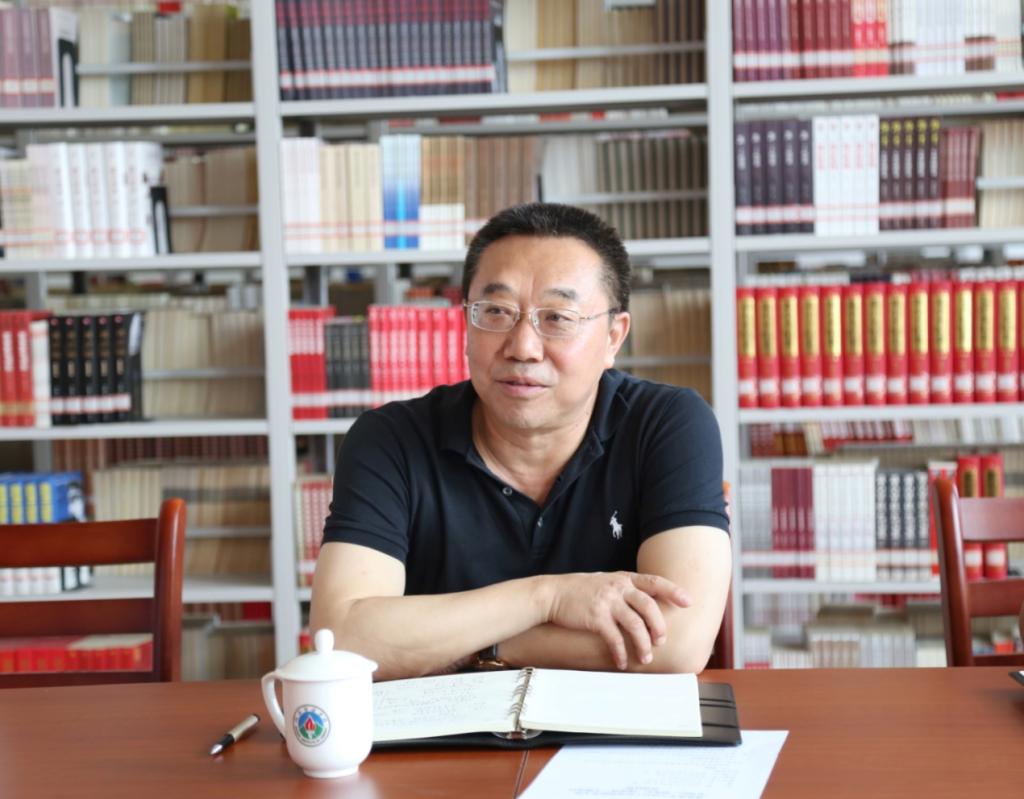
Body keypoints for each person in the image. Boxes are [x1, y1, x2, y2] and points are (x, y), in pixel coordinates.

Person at [310, 203, 732, 681]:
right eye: (496, 312)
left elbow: (679, 642)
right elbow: (341, 639)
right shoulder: (389, 440)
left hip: (612, 727)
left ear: (614, 337)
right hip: (441, 728)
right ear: (466, 324)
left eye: (557, 317)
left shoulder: (668, 424)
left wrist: (483, 646)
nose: (523, 348)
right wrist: (547, 598)